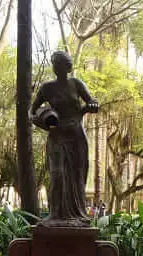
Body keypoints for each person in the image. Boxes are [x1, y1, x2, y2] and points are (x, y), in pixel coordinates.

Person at [30, 51, 99, 227]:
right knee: (57, 174)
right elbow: (31, 112)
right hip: (57, 135)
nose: (57, 67)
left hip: (76, 135)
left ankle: (77, 215)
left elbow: (92, 102)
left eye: (60, 63)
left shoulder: (76, 84)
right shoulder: (47, 88)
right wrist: (41, 120)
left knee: (76, 176)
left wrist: (91, 106)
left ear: (67, 67)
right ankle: (55, 215)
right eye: (55, 63)